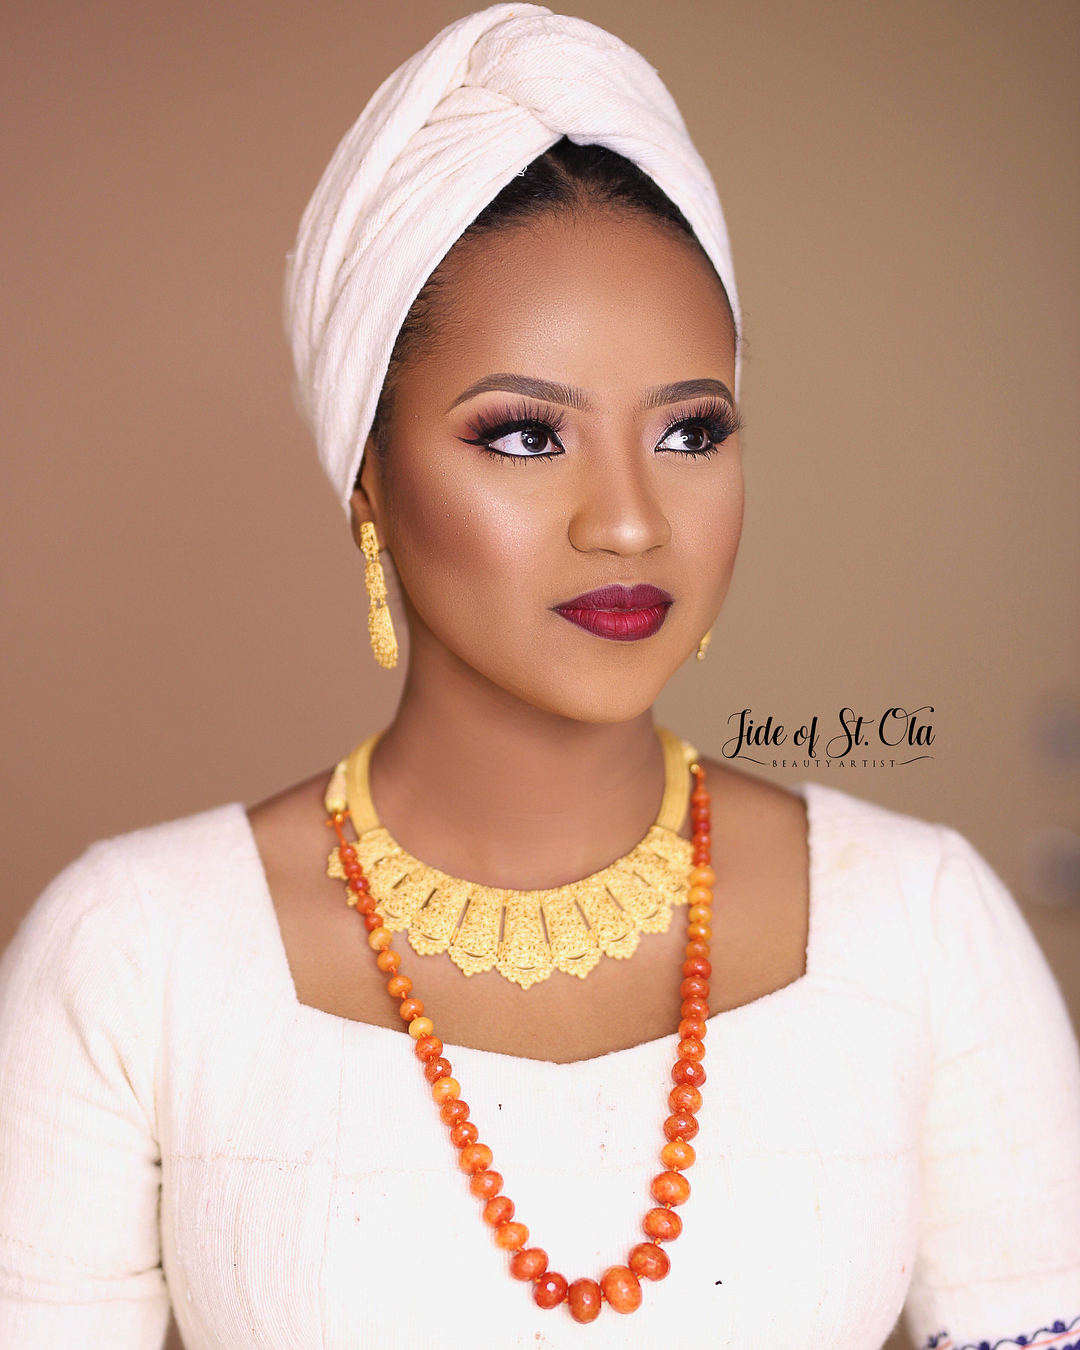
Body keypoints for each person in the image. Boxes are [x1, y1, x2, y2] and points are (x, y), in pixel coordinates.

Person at [1, 6, 1078, 1348]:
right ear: (368, 476)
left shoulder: (920, 923)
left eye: (690, 432)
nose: (628, 520)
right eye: (524, 435)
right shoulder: (134, 958)